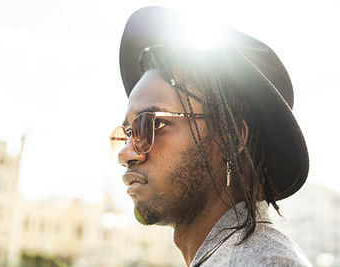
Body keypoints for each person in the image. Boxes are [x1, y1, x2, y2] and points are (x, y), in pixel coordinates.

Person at [111, 6, 312, 267]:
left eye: (154, 124)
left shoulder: (261, 262)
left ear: (233, 139)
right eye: (128, 133)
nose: (126, 154)